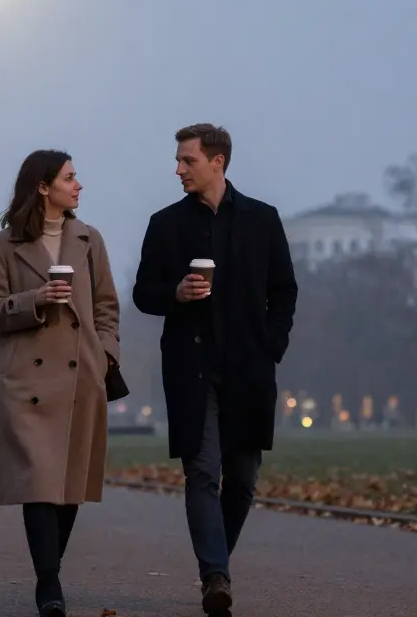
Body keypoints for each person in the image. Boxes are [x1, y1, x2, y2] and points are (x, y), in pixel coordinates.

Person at [132, 124, 298, 616]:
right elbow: (143, 293)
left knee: (243, 478)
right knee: (202, 471)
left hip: (249, 365)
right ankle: (215, 576)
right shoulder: (165, 224)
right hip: (191, 366)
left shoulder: (262, 220)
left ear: (217, 162)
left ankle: (215, 557)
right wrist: (175, 295)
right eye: (179, 161)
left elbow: (284, 290)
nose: (178, 169)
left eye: (188, 160)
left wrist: (273, 342)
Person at [0, 149, 120, 617]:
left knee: (68, 485)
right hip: (28, 383)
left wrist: (105, 355)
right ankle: (50, 585)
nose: (78, 185)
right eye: (70, 177)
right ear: (43, 186)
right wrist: (34, 299)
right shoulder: (5, 245)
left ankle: (48, 572)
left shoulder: (89, 239)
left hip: (81, 376)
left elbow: (106, 308)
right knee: (39, 483)